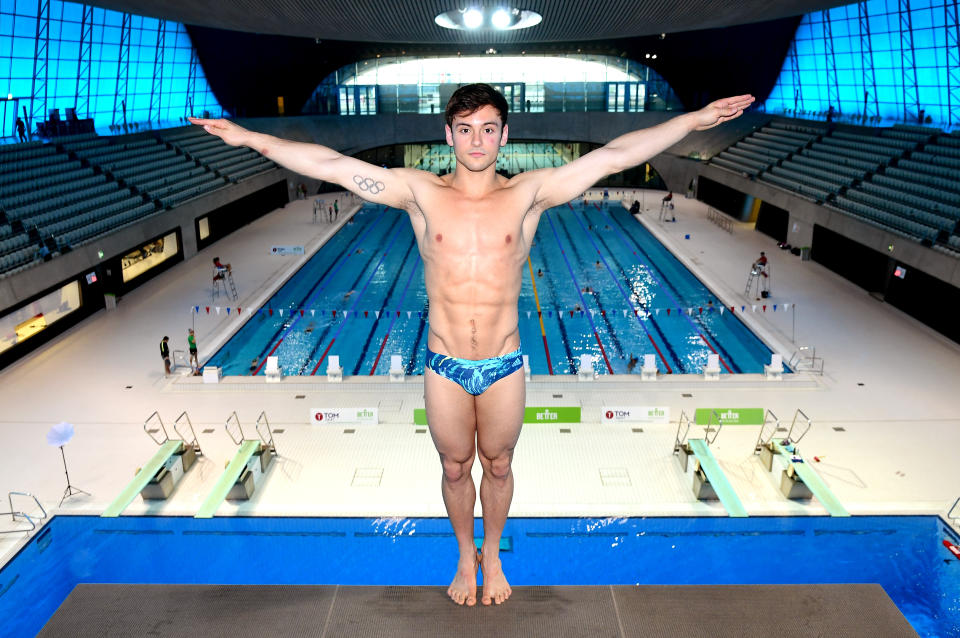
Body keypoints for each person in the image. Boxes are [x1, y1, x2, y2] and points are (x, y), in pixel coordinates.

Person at [190, 84, 753, 607]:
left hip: (505, 363)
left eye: (488, 128)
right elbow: (331, 164)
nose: (477, 139)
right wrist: (248, 137)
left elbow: (613, 157)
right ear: (448, 135)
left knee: (499, 465)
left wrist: (695, 120)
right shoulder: (419, 194)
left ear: (505, 135)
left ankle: (494, 554)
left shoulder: (530, 194)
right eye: (465, 128)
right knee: (456, 468)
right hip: (444, 363)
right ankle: (465, 557)